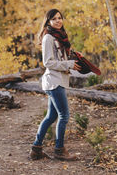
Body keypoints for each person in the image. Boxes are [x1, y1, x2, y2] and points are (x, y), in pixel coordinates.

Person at [30, 8, 81, 161]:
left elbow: (60, 57)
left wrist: (76, 57)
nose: (58, 21)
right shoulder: (48, 38)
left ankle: (36, 149)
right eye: (54, 19)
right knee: (64, 115)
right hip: (53, 81)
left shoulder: (60, 37)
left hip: (58, 80)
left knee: (51, 116)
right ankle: (59, 150)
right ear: (48, 21)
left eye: (60, 17)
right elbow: (48, 62)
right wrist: (68, 64)